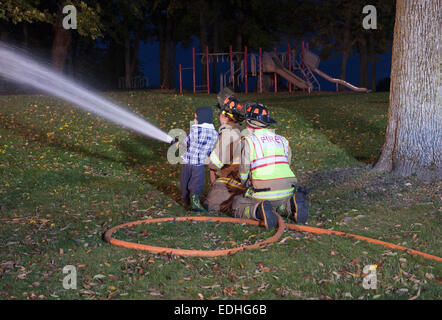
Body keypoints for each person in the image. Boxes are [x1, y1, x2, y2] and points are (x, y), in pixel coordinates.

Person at [231, 102, 309, 228]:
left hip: (262, 193)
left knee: (236, 204)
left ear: (248, 124)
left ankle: (258, 210)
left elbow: (244, 170)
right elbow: (286, 164)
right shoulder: (283, 140)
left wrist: (244, 183)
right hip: (287, 190)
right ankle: (291, 206)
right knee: (278, 204)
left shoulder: (249, 141)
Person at [204, 95, 246, 212]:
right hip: (245, 180)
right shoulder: (240, 130)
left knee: (210, 205)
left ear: (225, 116)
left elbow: (215, 163)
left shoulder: (227, 132)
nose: (219, 116)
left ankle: (238, 202)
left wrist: (205, 158)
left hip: (232, 180)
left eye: (220, 113)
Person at [179, 106, 218, 212]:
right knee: (196, 183)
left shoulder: (195, 129)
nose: (195, 120)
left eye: (196, 117)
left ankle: (185, 199)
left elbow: (186, 142)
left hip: (186, 161)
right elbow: (211, 149)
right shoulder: (215, 134)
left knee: (184, 181)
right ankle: (195, 200)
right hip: (198, 165)